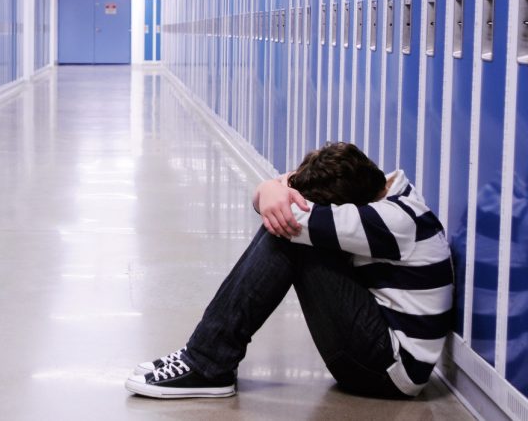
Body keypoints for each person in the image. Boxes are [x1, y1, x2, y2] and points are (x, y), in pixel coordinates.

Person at [125, 142, 453, 399]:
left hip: (390, 372)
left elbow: (283, 211)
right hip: (380, 342)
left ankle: (208, 364)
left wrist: (270, 190)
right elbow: (274, 194)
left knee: (287, 232)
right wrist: (271, 187)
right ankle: (206, 357)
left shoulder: (391, 221)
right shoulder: (382, 190)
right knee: (286, 224)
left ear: (345, 208)